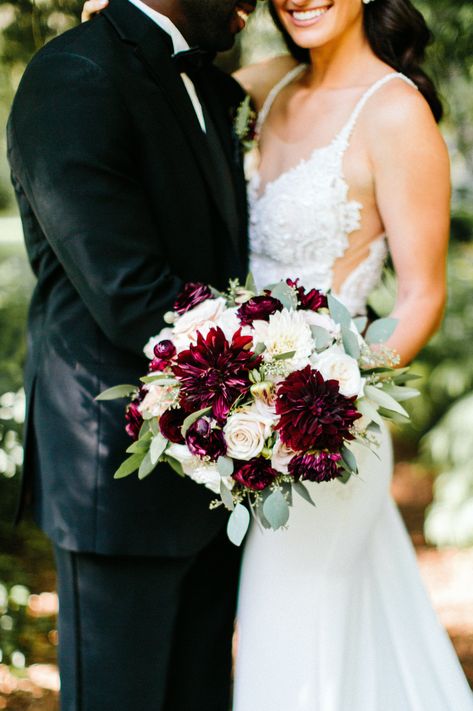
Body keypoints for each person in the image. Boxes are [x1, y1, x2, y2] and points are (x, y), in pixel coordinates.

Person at [88, 0, 473, 707]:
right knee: (308, 638)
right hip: (241, 434)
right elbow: (160, 63)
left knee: (293, 641)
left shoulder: (395, 113)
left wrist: (320, 403)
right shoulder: (265, 87)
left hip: (322, 437)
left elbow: (421, 298)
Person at [6, 1, 256, 710]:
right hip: (115, 483)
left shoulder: (215, 87)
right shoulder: (74, 74)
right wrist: (279, 379)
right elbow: (133, 294)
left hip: (218, 478)